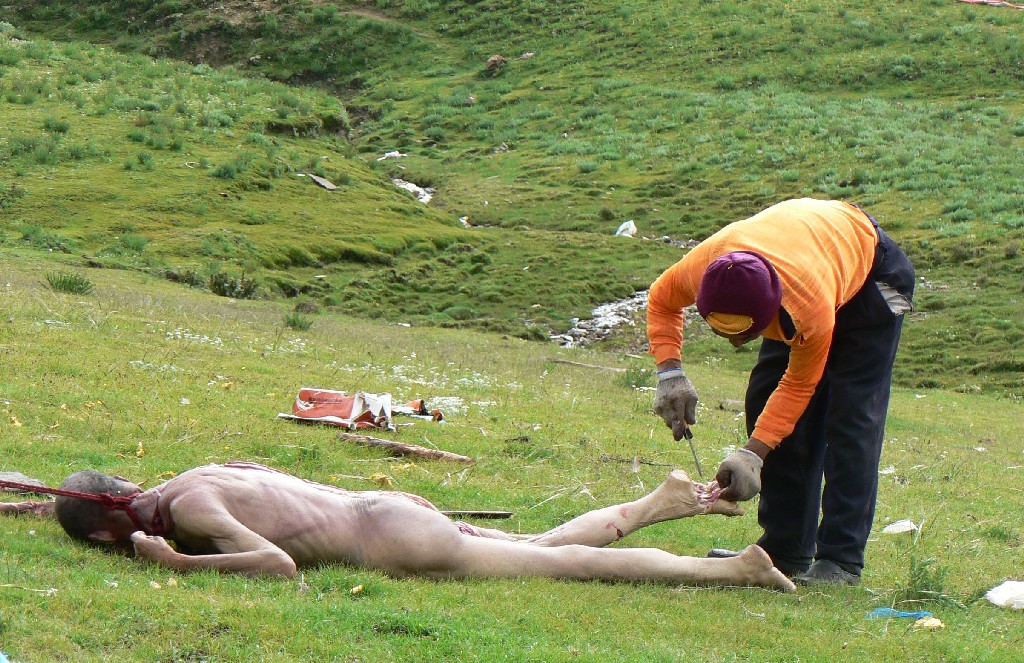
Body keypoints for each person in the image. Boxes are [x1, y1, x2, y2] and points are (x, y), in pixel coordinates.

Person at [647, 198, 914, 586]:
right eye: (723, 332)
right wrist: (670, 372)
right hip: (802, 259)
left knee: (851, 417)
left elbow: (801, 385)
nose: (736, 344)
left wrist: (752, 454)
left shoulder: (808, 307)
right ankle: (784, 550)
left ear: (770, 309)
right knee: (762, 396)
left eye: (744, 334)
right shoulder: (708, 266)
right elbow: (661, 299)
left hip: (870, 277)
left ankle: (840, 559)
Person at [1, 462, 795, 591]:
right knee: (548, 544)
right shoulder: (191, 477)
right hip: (390, 512)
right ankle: (660, 502)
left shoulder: (188, 514)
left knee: (566, 564)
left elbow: (278, 566)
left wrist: (173, 561)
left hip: (396, 539)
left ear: (112, 532)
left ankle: (729, 570)